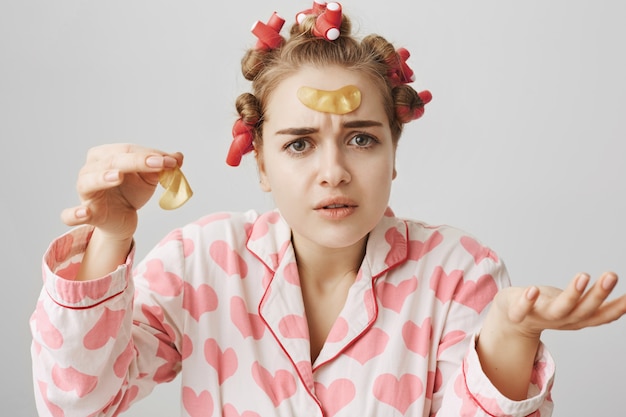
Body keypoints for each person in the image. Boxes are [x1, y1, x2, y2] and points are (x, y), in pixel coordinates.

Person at [30, 2, 626, 416]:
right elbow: (78, 402)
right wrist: (111, 237)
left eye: (363, 138)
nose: (334, 169)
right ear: (260, 164)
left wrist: (509, 332)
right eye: (298, 143)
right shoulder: (201, 263)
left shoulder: (459, 274)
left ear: (395, 154)